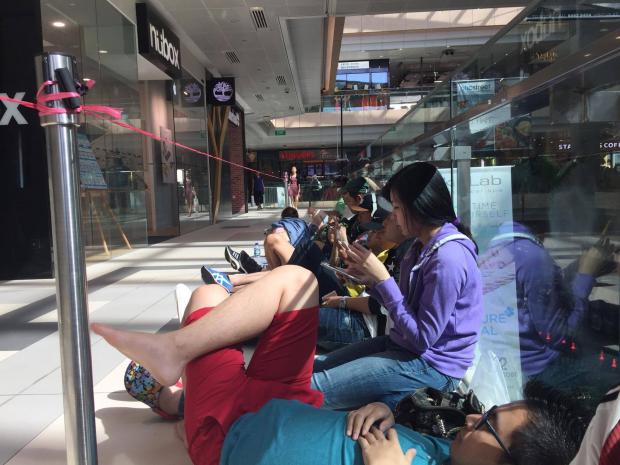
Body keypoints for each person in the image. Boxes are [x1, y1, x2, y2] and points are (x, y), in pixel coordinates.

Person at [93, 272, 587, 465]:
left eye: (490, 425)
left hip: (231, 437)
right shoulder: (453, 449)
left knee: (206, 298)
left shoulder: (446, 260)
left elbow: (417, 335)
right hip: (292, 405)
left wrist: (380, 281)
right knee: (298, 282)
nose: (475, 418)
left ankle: (179, 403)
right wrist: (388, 414)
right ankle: (177, 362)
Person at [312, 162, 484, 410]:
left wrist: (383, 280)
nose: (392, 217)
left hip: (433, 366)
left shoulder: (448, 258)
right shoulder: (419, 248)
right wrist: (371, 281)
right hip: (403, 346)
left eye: (396, 208)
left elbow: (422, 338)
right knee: (316, 367)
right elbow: (404, 309)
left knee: (315, 387)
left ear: (418, 208)